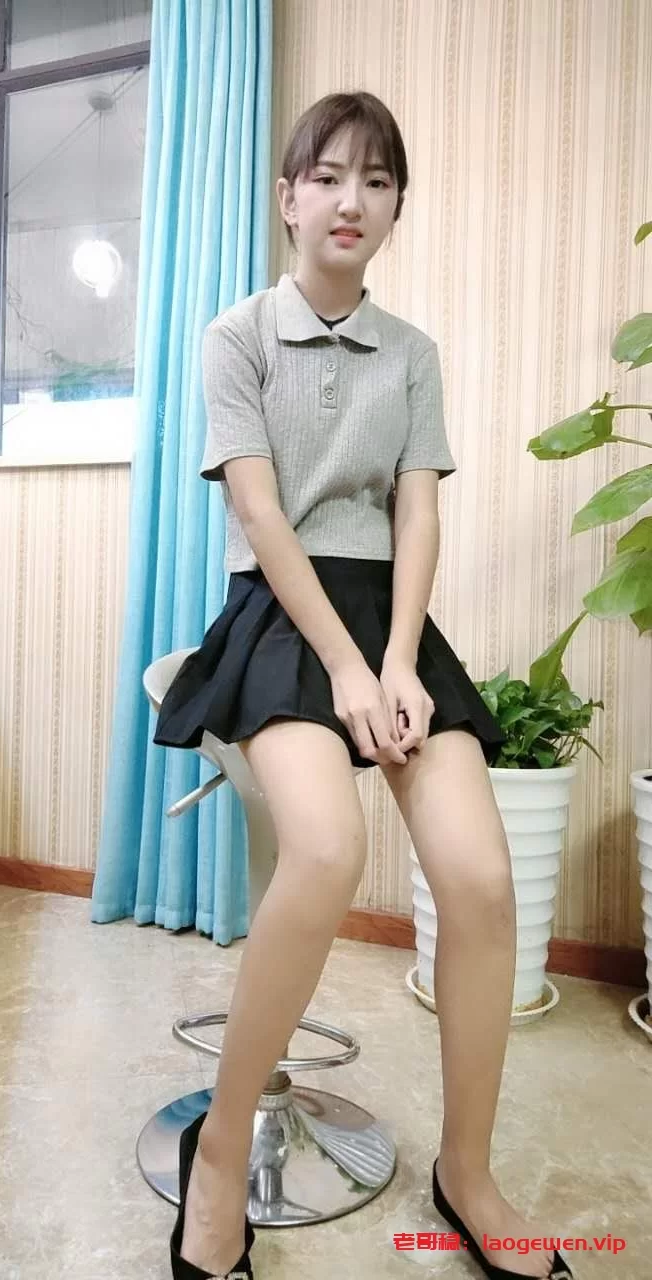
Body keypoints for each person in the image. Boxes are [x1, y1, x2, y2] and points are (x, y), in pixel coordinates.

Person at [155, 92, 573, 1280]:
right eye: (329, 176)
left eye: (378, 180)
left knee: (480, 876)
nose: (352, 199)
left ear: (395, 207)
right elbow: (257, 511)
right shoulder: (236, 335)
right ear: (288, 197)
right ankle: (221, 1152)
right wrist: (342, 659)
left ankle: (468, 1171)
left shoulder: (413, 354)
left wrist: (393, 659)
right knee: (328, 846)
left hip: (394, 623)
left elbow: (418, 510)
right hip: (283, 616)